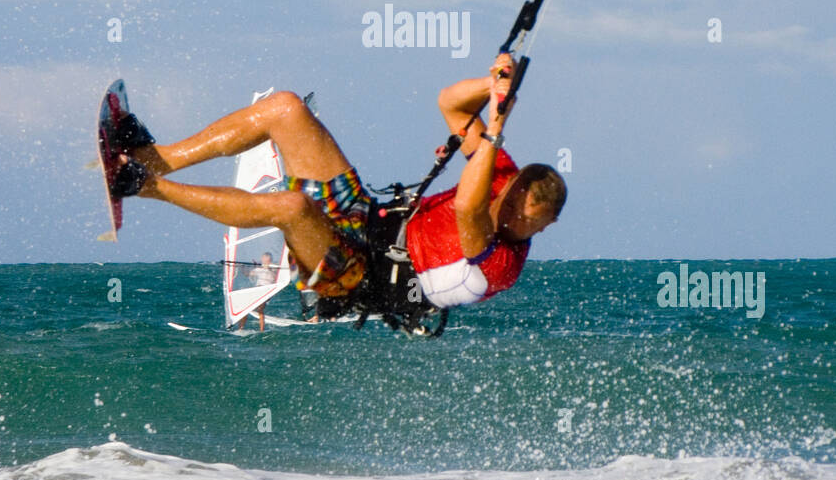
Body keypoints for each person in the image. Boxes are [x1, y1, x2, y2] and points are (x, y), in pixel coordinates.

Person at [109, 53, 566, 324]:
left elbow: (467, 208)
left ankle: (142, 184)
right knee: (286, 109)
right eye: (510, 199)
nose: (507, 210)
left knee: (291, 206)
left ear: (540, 226)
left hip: (353, 278)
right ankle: (153, 157)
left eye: (524, 218)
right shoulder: (503, 176)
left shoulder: (503, 264)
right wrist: (494, 85)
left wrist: (497, 125)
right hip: (364, 217)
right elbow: (450, 104)